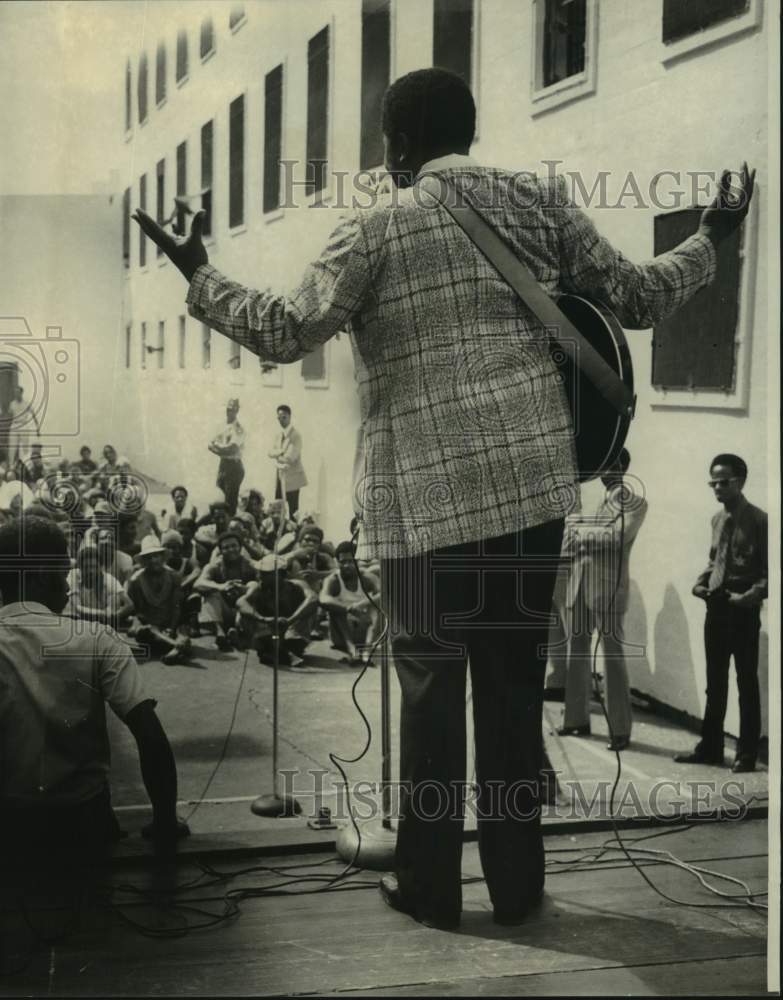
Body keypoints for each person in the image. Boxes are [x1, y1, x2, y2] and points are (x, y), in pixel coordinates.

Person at [134, 66, 753, 929]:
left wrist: (198, 270)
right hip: (531, 502)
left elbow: (282, 329)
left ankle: (428, 886)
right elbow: (641, 297)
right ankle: (515, 887)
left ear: (394, 146)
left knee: (429, 699)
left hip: (418, 513)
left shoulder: (375, 228)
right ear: (467, 130)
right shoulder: (537, 203)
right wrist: (715, 235)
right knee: (508, 696)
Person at [0, 516, 188, 864]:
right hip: (84, 823)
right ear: (42, 574)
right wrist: (165, 822)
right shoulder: (96, 639)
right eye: (64, 569)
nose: (69, 583)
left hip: (10, 826)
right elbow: (149, 734)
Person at [675, 454, 767, 773]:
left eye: (723, 481)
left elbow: (769, 573)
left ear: (740, 481)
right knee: (715, 682)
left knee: (746, 683)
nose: (716, 487)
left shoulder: (760, 521)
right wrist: (700, 584)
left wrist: (747, 598)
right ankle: (710, 747)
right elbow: (715, 560)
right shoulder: (717, 519)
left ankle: (746, 754)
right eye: (712, 481)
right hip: (716, 607)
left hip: (742, 610)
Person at [556, 449, 648, 750]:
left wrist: (580, 529)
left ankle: (619, 730)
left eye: (610, 465)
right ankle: (576, 720)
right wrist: (585, 531)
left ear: (622, 467)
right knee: (577, 654)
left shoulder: (634, 502)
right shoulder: (597, 500)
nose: (603, 471)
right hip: (580, 586)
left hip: (607, 590)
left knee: (612, 658)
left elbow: (616, 537)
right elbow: (569, 539)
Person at [234, 554, 317, 668]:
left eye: (265, 573)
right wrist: (264, 619)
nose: (259, 576)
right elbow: (240, 602)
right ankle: (282, 653)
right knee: (245, 614)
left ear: (280, 574)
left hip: (290, 630)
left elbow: (313, 598)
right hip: (268, 630)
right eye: (260, 572)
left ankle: (278, 652)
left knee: (308, 612)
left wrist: (290, 620)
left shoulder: (297, 585)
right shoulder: (259, 588)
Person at [126, 535, 192, 666]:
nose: (153, 560)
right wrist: (142, 623)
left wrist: (171, 628)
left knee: (183, 630)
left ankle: (174, 646)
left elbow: (176, 606)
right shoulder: (136, 581)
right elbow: (137, 610)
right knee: (143, 631)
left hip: (169, 623)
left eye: (156, 556)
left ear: (162, 557)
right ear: (144, 561)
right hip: (149, 626)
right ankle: (176, 647)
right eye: (149, 557)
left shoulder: (174, 577)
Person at [320, 540, 382, 665]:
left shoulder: (367, 577)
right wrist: (349, 608)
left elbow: (385, 593)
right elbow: (323, 599)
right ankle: (352, 650)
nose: (347, 565)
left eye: (351, 561)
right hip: (341, 636)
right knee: (335, 607)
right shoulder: (333, 579)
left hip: (365, 632)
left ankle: (367, 652)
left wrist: (361, 604)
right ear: (337, 562)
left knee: (376, 607)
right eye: (343, 562)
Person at [194, 529, 257, 650]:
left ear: (240, 547)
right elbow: (198, 584)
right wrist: (221, 587)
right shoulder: (215, 565)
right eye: (226, 547)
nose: (231, 550)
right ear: (221, 551)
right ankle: (220, 634)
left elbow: (263, 584)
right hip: (223, 613)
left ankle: (237, 632)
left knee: (253, 585)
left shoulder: (250, 564)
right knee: (210, 593)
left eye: (234, 546)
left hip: (244, 613)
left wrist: (245, 589)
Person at [65, 542, 133, 627]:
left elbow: (129, 605)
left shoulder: (110, 580)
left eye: (94, 567)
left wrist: (114, 615)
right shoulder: (72, 575)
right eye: (87, 567)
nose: (91, 571)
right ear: (80, 567)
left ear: (101, 566)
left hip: (102, 627)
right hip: (78, 625)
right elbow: (75, 608)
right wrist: (102, 613)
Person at [268, 405, 307, 516]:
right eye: (279, 418)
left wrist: (276, 455)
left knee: (293, 510)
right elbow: (270, 452)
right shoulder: (279, 435)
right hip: (280, 476)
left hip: (293, 477)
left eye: (284, 417)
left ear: (289, 417)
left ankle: (293, 533)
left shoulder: (295, 436)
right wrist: (280, 452)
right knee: (278, 508)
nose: (281, 420)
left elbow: (289, 458)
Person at [209, 397, 246, 514]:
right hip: (223, 465)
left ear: (237, 411)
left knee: (230, 501)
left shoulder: (239, 429)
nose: (229, 412)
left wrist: (218, 448)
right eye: (228, 409)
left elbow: (232, 449)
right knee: (219, 497)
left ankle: (230, 526)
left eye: (232, 409)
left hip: (234, 466)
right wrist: (221, 450)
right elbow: (210, 444)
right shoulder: (222, 426)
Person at [7, 385, 40, 466]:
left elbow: (33, 415)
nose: (16, 394)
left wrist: (37, 428)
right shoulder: (12, 404)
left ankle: (27, 465)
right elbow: (9, 415)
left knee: (25, 447)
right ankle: (11, 465)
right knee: (12, 447)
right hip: (14, 426)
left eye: (18, 392)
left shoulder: (26, 404)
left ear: (21, 393)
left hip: (23, 425)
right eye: (15, 393)